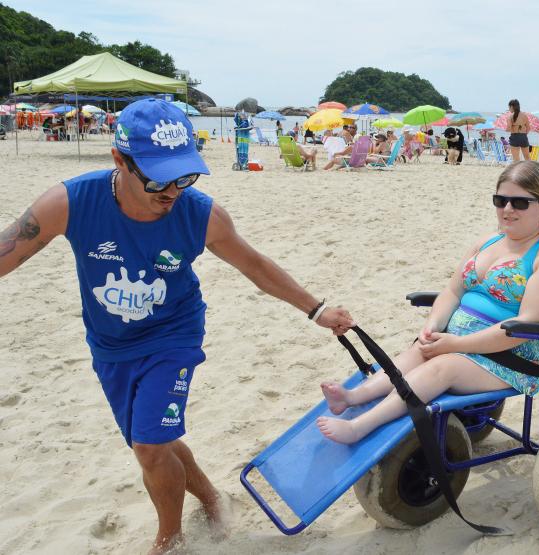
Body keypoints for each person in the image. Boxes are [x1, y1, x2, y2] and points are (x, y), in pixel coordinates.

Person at [0, 99, 355, 553]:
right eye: (158, 177)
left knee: (149, 445)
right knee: (155, 439)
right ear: (119, 161)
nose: (172, 190)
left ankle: (169, 542)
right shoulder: (69, 202)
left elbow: (254, 264)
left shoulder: (200, 213)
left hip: (174, 334)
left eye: (185, 175)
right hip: (110, 343)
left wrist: (316, 309)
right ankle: (209, 496)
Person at [317, 161, 539, 444]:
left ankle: (360, 427)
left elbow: (525, 326)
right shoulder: (490, 241)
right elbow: (453, 290)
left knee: (443, 366)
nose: (507, 209)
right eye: (500, 200)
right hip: (460, 342)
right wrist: (432, 327)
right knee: (421, 349)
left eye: (520, 202)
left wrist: (456, 345)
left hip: (513, 357)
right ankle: (353, 396)